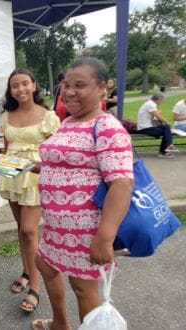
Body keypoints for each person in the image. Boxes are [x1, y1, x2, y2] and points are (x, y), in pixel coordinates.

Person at [31, 58, 134, 330]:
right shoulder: (69, 122)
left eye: (79, 85)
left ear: (102, 87)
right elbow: (71, 163)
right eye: (66, 85)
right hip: (56, 228)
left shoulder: (107, 127)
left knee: (82, 289)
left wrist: (105, 237)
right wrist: (37, 166)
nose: (69, 91)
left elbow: (121, 184)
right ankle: (60, 324)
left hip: (86, 231)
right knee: (44, 264)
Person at [0, 69, 60, 313]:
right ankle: (26, 270)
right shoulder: (7, 115)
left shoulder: (49, 116)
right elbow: (6, 148)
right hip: (12, 175)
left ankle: (35, 287)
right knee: (20, 229)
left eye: (25, 83)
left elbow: (57, 155)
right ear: (10, 90)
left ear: (34, 85)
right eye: (15, 85)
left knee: (28, 230)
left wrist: (35, 162)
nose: (20, 89)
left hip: (35, 176)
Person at [136, 93, 179, 158]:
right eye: (162, 100)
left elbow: (155, 117)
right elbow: (158, 117)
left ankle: (167, 147)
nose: (162, 102)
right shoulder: (150, 105)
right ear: (158, 99)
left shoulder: (150, 103)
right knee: (167, 131)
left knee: (166, 128)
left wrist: (164, 122)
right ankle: (164, 150)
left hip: (149, 125)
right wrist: (166, 122)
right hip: (145, 127)